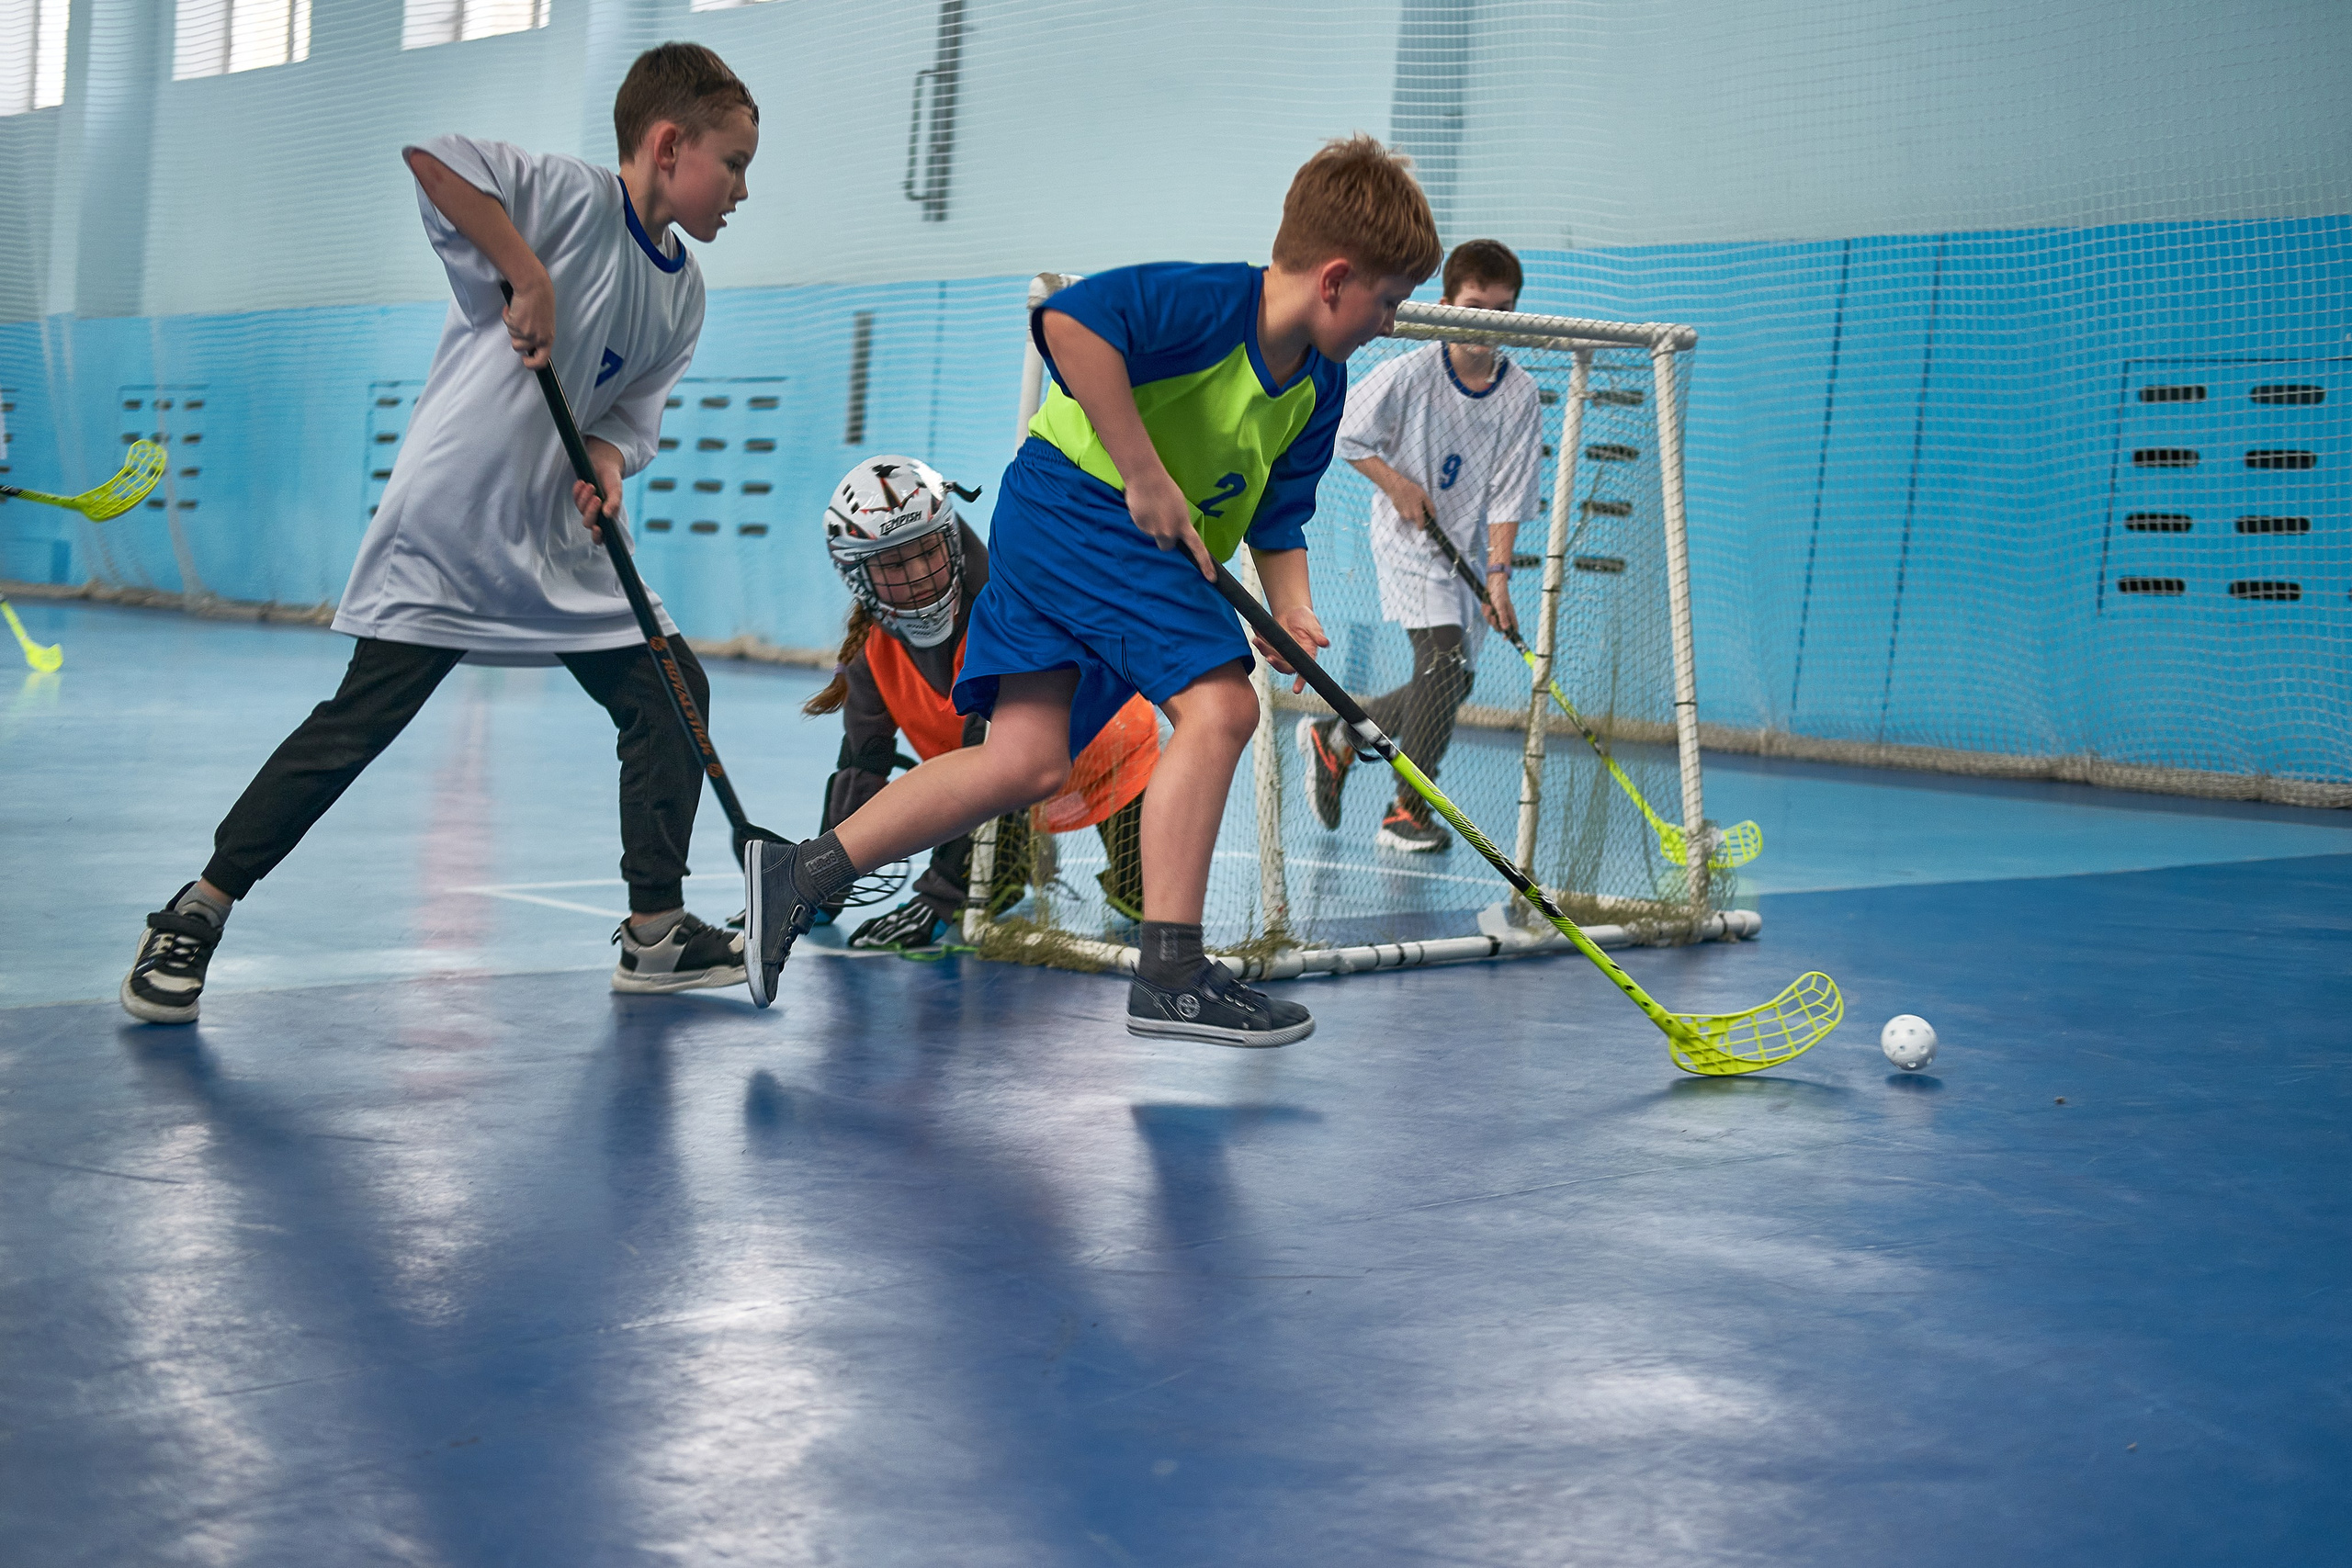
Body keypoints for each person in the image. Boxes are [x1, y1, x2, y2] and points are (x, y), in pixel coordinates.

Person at [742, 134, 1442, 1046]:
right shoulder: (1210, 303)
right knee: (1223, 708)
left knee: (1024, 762)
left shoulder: (1319, 382)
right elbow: (1069, 323)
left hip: (1083, 535)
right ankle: (1173, 974)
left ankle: (800, 874)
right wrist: (1144, 473)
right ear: (1336, 279)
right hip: (1081, 506)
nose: (1390, 322)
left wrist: (1292, 608)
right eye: (1389, 301)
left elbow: (1279, 515)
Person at [119, 44, 761, 1024]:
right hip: (454, 530)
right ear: (669, 146)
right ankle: (195, 912)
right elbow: (435, 159)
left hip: (561, 544)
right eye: (735, 163)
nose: (743, 190)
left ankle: (656, 932)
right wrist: (525, 273)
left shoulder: (685, 292)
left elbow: (627, 419)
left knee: (672, 692)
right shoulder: (566, 198)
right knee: (355, 726)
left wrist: (604, 465)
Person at [802, 455, 1156, 951]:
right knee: (994, 890)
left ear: (951, 539)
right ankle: (1022, 851)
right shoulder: (871, 653)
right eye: (895, 564)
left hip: (1109, 763)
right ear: (857, 574)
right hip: (1002, 796)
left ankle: (1027, 849)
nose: (919, 574)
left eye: (927, 551)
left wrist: (938, 897)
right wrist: (816, 883)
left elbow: (991, 758)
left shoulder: (1004, 616)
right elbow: (862, 765)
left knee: (1147, 903)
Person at [1295, 239, 1543, 852]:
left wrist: (1498, 578)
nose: (1489, 322)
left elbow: (1510, 493)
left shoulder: (1520, 394)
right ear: (1447, 303)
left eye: (1503, 310)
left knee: (1451, 684)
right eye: (1476, 307)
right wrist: (1397, 485)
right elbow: (1345, 434)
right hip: (1409, 542)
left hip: (1464, 551)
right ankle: (1407, 812)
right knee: (1443, 665)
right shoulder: (1410, 373)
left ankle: (1338, 737)